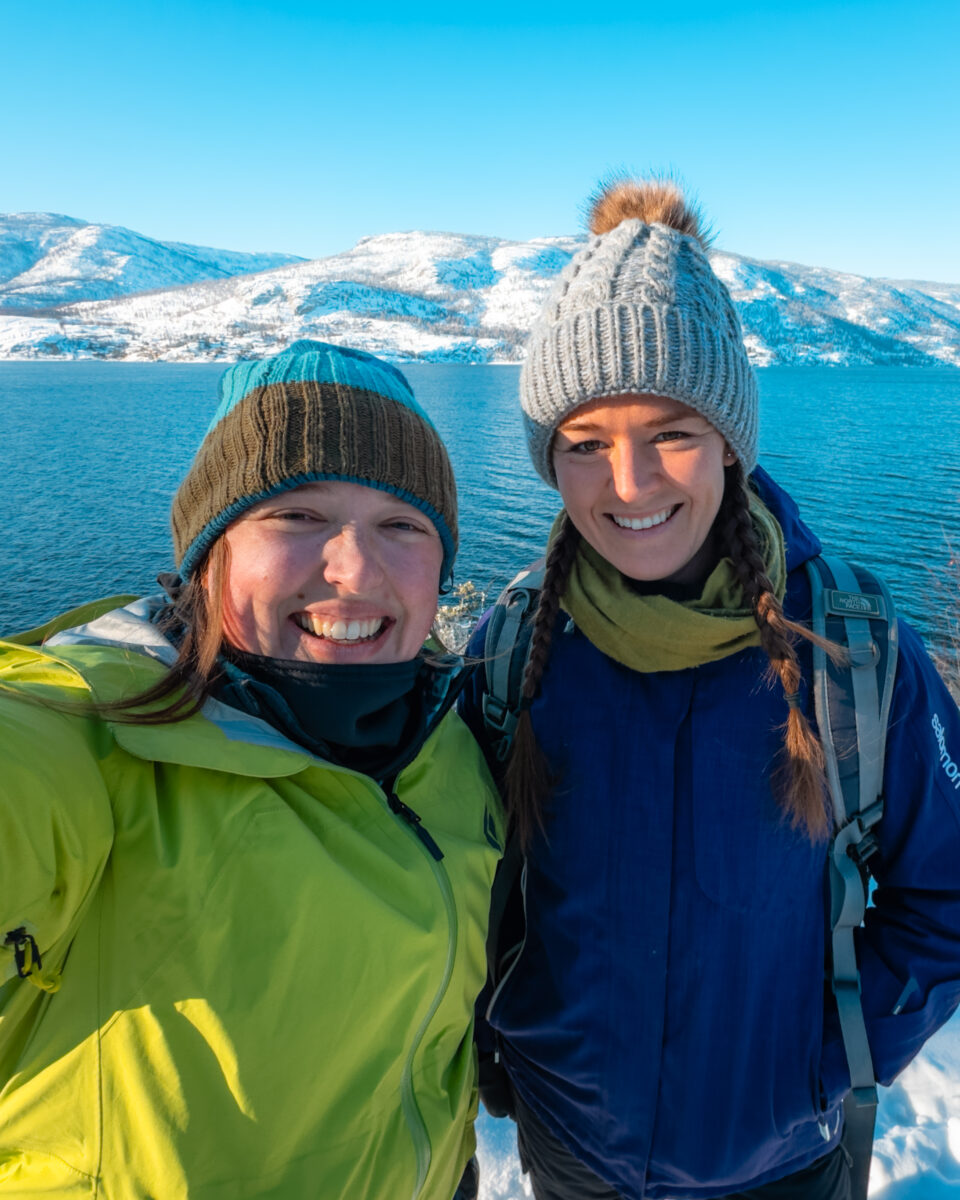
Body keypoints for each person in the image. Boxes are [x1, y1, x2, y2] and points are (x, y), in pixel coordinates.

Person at [460, 180, 960, 1200]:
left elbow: (947, 893)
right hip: (571, 1155)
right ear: (549, 461)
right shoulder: (516, 650)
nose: (631, 483)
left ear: (731, 437)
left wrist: (827, 1065)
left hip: (781, 1162)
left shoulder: (851, 653)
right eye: (586, 444)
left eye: (671, 432)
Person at [0, 340, 503, 1198]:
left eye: (403, 525)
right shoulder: (87, 733)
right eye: (297, 516)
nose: (353, 568)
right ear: (209, 552)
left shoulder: (453, 742)